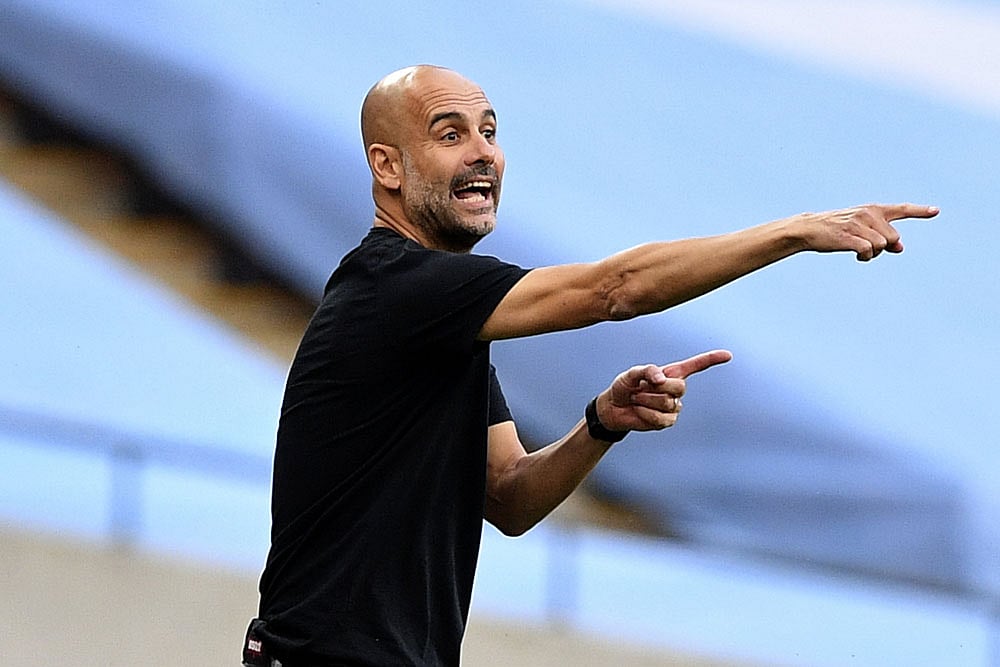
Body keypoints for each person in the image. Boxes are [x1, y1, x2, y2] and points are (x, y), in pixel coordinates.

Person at [243, 64, 938, 666]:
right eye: (450, 135)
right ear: (387, 167)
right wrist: (794, 232)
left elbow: (508, 496)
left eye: (490, 131)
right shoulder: (397, 288)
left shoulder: (438, 326)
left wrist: (601, 423)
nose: (483, 153)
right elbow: (615, 289)